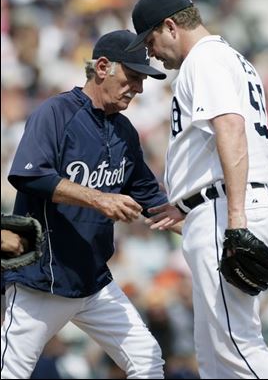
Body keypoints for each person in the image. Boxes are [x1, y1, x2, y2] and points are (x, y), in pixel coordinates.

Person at [127, 0, 268, 380]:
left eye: (150, 40)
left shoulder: (205, 59)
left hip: (227, 207)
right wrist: (185, 204)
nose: (150, 53)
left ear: (170, 27)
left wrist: (233, 218)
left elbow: (230, 129)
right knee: (213, 355)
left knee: (237, 345)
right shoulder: (227, 57)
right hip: (220, 203)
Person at [1, 29, 183, 379]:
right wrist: (99, 198)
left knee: (147, 360)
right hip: (44, 281)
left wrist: (208, 234)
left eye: (142, 79)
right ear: (102, 67)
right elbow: (29, 175)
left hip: (95, 282)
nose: (140, 88)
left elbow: (152, 200)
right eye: (132, 76)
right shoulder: (55, 113)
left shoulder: (124, 131)